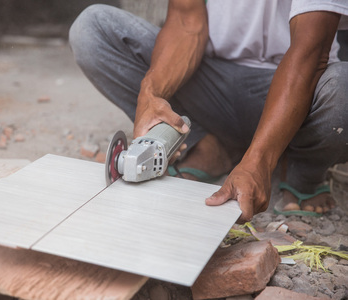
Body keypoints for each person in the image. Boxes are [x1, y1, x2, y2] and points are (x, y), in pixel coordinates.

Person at [69, 0, 348, 223]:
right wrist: (150, 93)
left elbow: (309, 53)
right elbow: (186, 21)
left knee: (343, 89)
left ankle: (303, 170)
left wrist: (258, 162)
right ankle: (208, 145)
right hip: (212, 80)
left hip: (297, 86)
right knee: (93, 28)